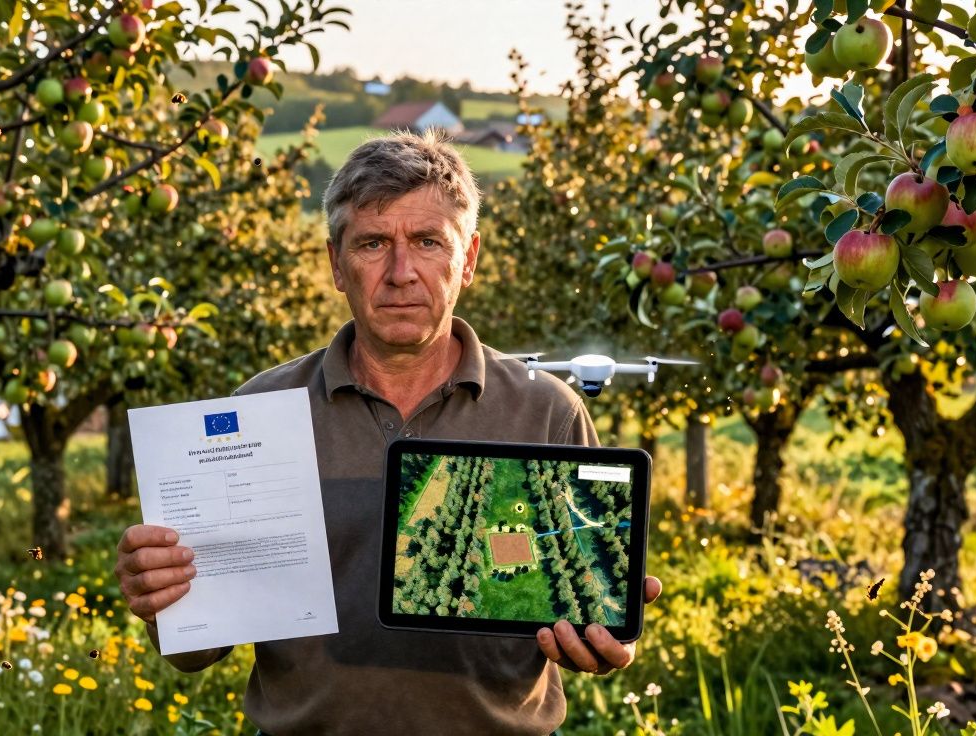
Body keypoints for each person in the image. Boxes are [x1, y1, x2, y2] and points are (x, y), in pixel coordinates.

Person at [115, 128, 663, 735]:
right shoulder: (256, 415)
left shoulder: (546, 412)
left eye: (429, 242)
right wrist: (162, 600)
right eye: (373, 243)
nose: (401, 272)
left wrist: (605, 637)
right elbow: (196, 652)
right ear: (336, 265)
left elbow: (590, 607)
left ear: (469, 259)